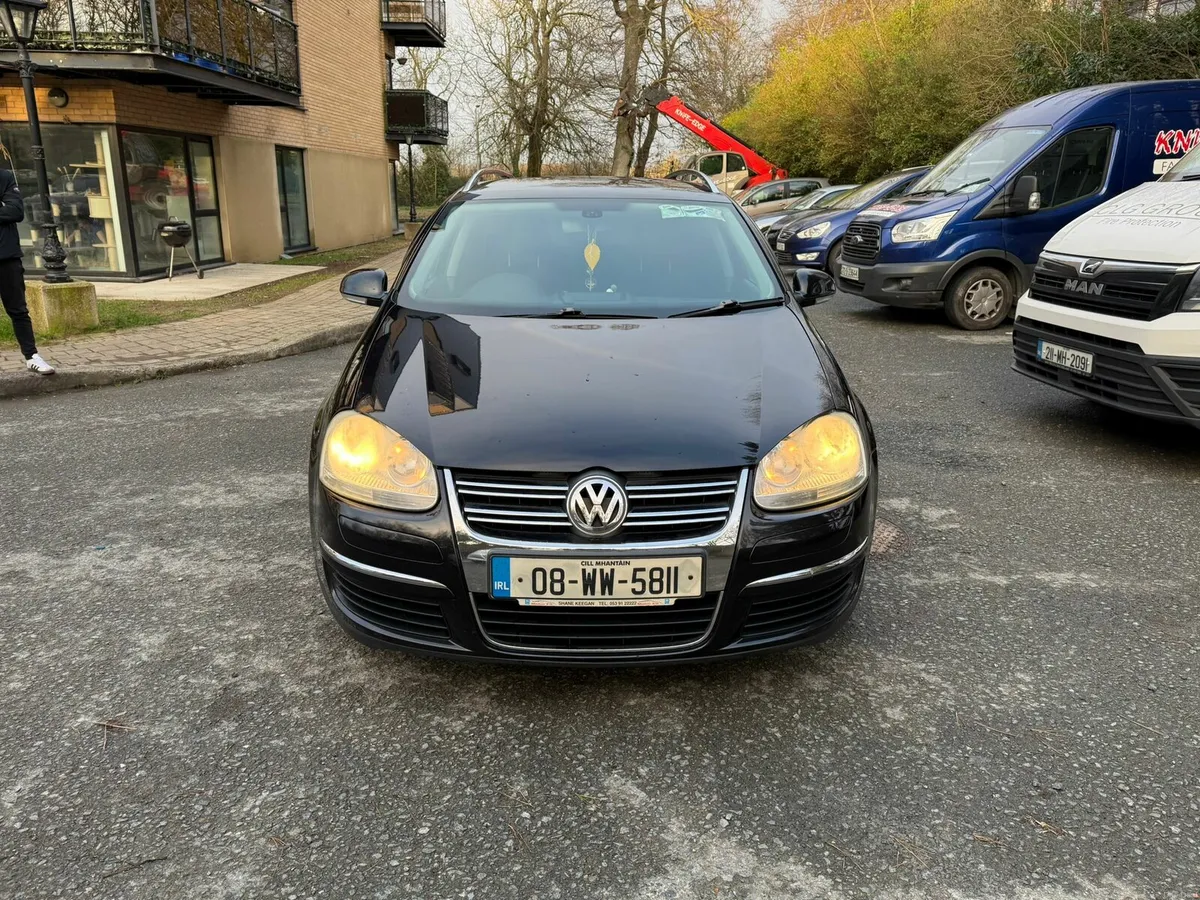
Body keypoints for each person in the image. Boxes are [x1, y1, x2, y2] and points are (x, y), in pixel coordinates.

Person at [0, 167, 55, 375]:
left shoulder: (3, 177)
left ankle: (32, 356)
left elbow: (16, 211)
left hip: (7, 256)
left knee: (18, 311)